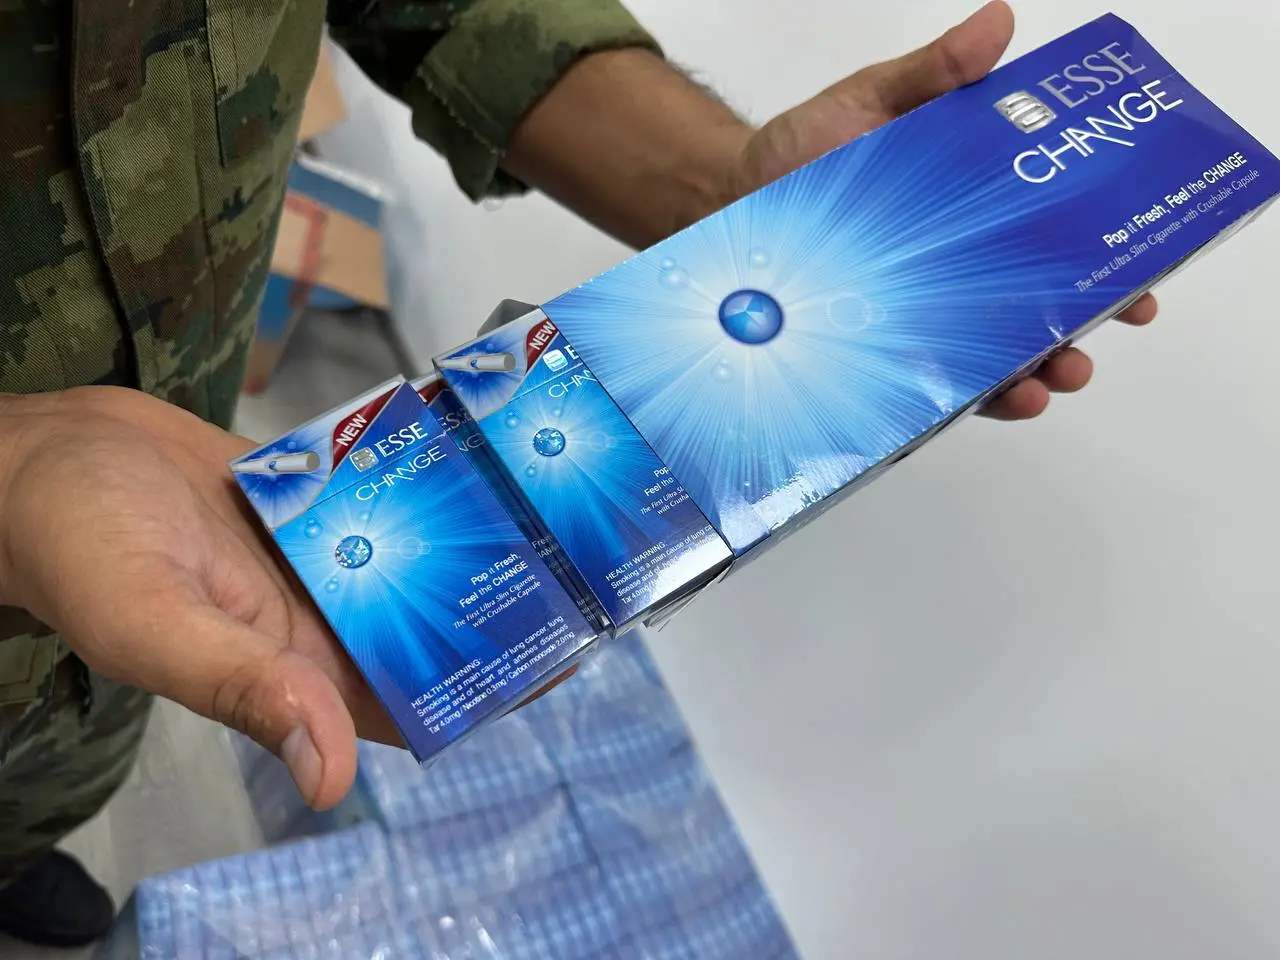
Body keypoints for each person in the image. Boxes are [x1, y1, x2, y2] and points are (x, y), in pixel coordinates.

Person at [0, 0, 1157, 947]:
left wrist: (729, 189)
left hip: (134, 549)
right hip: (70, 502)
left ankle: (17, 842)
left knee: (53, 769)